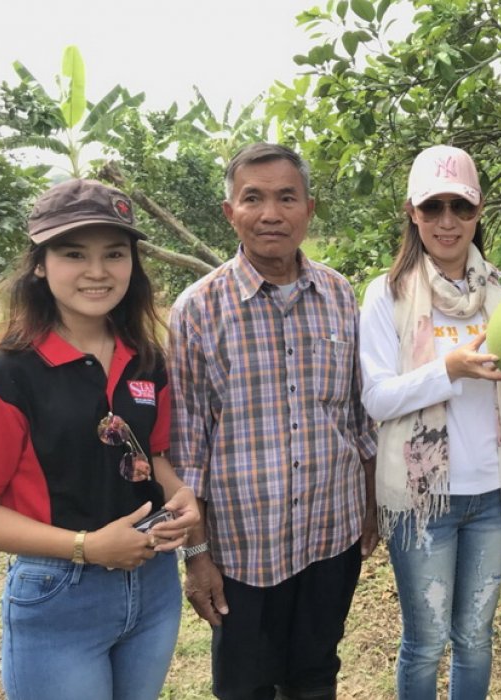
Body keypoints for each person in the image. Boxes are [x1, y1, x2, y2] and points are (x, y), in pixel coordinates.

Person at [0, 179, 199, 700]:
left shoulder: (146, 358)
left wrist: (179, 493)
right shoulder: (5, 374)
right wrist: (88, 547)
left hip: (154, 588)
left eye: (114, 254)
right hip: (59, 594)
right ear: (39, 264)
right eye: (74, 254)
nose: (98, 272)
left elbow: (153, 456)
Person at [169, 143, 378, 700]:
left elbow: (357, 419)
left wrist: (371, 507)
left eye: (287, 197)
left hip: (330, 534)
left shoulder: (339, 296)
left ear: (310, 208)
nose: (270, 213)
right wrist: (196, 555)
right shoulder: (197, 310)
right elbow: (189, 450)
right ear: (229, 212)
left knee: (315, 675)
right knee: (245, 687)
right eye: (253, 198)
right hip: (242, 550)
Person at [358, 144, 501, 699]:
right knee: (425, 641)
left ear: (478, 212)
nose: (448, 222)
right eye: (433, 208)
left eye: (461, 207)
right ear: (412, 212)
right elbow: (376, 399)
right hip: (424, 500)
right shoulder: (389, 295)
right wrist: (449, 369)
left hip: (493, 494)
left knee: (475, 636)